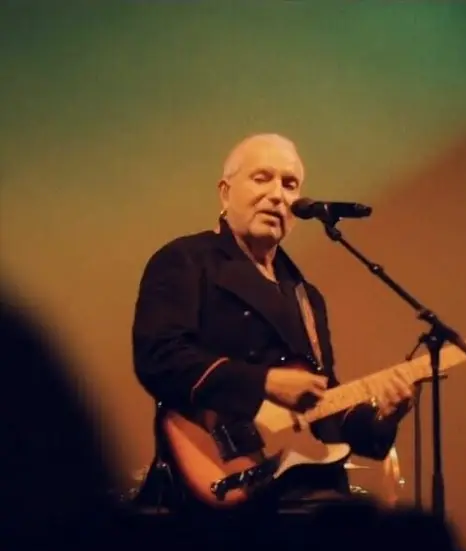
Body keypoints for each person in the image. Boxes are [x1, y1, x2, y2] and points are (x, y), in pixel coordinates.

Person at [131, 133, 414, 508]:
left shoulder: (305, 295)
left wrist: (383, 417)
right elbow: (159, 358)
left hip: (303, 493)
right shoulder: (186, 259)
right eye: (262, 178)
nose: (278, 194)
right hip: (216, 484)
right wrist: (264, 383)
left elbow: (322, 408)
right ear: (225, 192)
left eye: (290, 183)